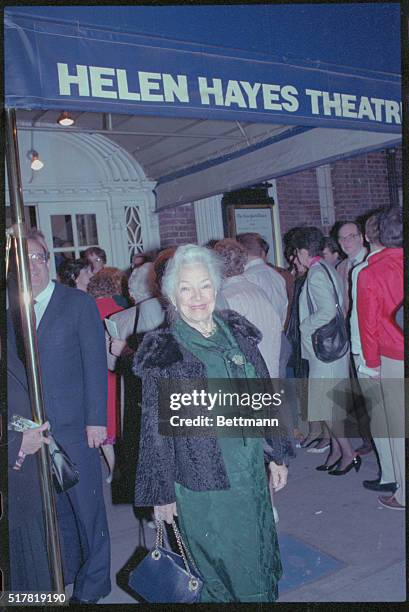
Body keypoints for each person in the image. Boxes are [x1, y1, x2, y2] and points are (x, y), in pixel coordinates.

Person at [133, 244, 291, 602]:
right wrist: (161, 495)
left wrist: (277, 454)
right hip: (201, 483)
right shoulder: (166, 349)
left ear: (217, 287)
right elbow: (154, 430)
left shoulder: (236, 332)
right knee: (218, 571)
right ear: (172, 294)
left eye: (204, 285)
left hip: (249, 475)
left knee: (257, 552)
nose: (197, 296)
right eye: (186, 288)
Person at [7, 237, 111, 603]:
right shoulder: (12, 309)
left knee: (88, 511)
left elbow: (95, 363)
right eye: (24, 259)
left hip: (75, 427)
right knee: (55, 512)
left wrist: (96, 421)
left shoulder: (77, 303)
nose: (32, 264)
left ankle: (94, 586)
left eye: (38, 256)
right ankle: (63, 576)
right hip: (32, 432)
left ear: (48, 261)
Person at [294, 227, 360, 475]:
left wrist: (304, 326)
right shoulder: (327, 270)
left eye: (296, 253)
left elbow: (327, 312)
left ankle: (349, 454)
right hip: (334, 347)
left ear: (302, 252)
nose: (295, 258)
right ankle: (335, 451)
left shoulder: (316, 275)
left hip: (324, 351)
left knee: (327, 407)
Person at [357, 207, 404, 510]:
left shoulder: (370, 273)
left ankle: (403, 494)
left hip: (394, 357)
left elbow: (368, 326)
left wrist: (371, 364)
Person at [350, 211, 396, 494]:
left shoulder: (364, 271)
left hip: (375, 353)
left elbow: (363, 321)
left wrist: (367, 361)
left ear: (367, 237)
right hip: (395, 350)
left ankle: (390, 475)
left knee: (381, 420)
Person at [335, 220, 372, 456]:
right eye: (341, 238)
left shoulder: (370, 262)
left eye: (350, 236)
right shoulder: (341, 267)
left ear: (361, 237)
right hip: (350, 334)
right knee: (357, 389)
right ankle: (368, 438)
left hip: (369, 336)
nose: (346, 242)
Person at [87, 270, 125, 483]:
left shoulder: (88, 311)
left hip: (98, 377)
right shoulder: (123, 309)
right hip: (119, 374)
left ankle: (113, 469)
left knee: (103, 426)